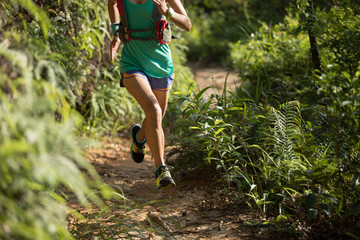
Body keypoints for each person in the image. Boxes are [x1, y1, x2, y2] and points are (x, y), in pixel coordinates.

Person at [107, 0, 191, 189]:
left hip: (161, 64)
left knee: (156, 116)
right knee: (154, 110)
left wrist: (167, 11)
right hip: (132, 61)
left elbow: (187, 24)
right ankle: (161, 169)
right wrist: (116, 31)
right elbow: (112, 3)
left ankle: (139, 138)